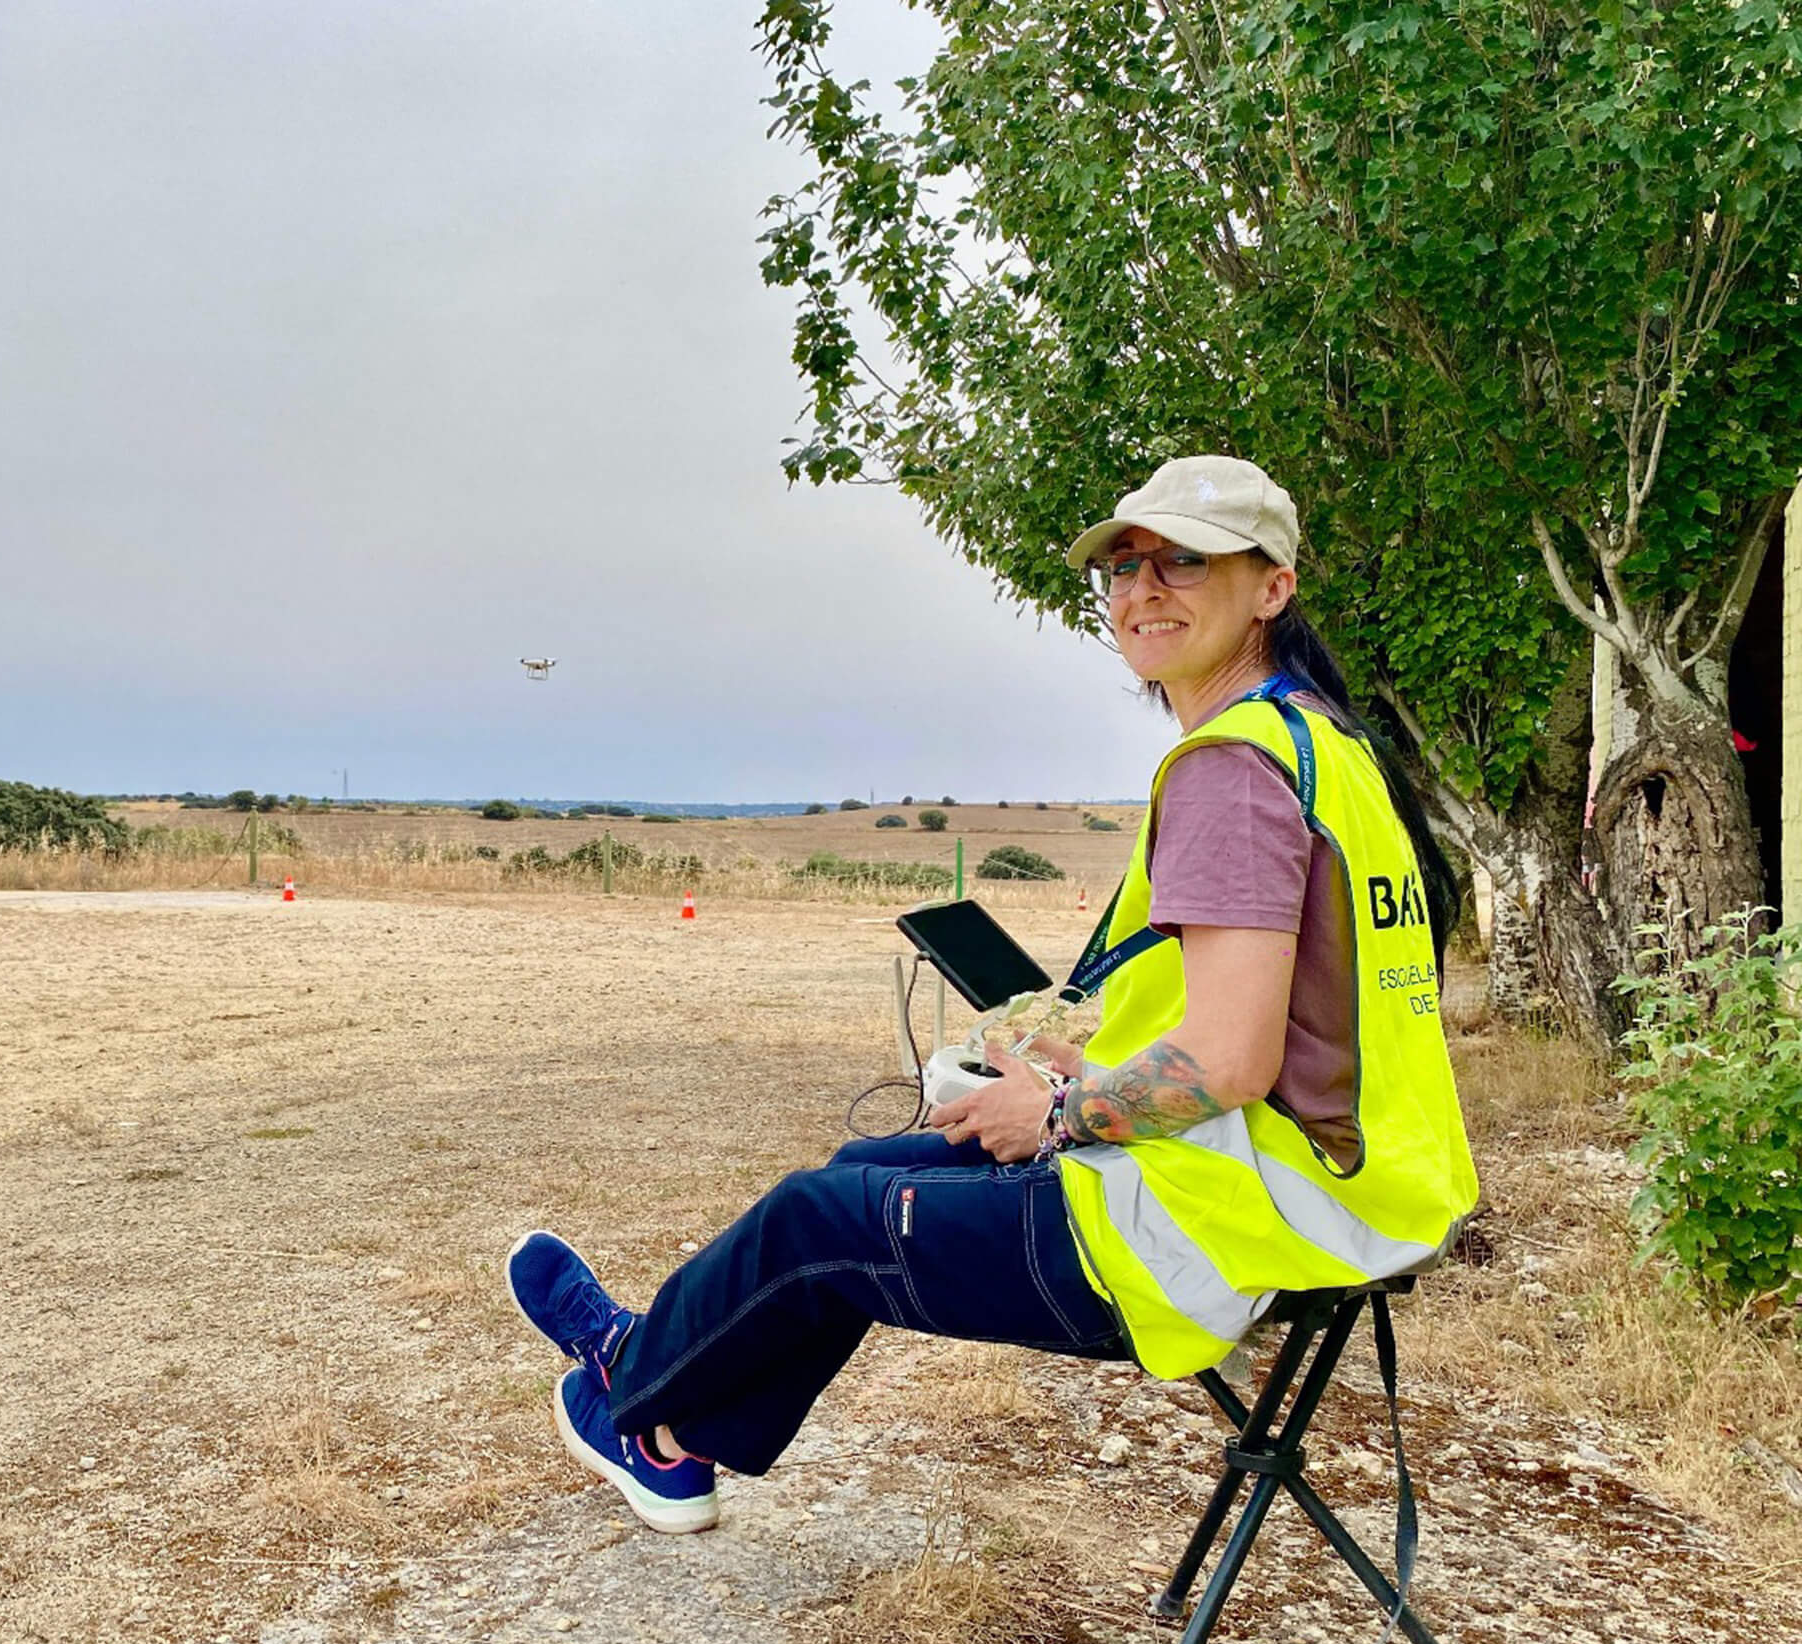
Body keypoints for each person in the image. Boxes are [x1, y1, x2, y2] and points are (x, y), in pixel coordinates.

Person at [505, 455, 1480, 1533]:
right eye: (1123, 564)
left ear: (1272, 586)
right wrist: (1096, 1066)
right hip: (1352, 1199)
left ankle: (628, 1382)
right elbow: (1297, 1027)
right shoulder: (1324, 743)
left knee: (815, 1218)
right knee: (860, 1167)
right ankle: (675, 1439)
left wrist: (1059, 1112)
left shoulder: (1227, 768)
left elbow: (1233, 1059)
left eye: (1185, 563)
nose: (1142, 589)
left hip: (1232, 1226)